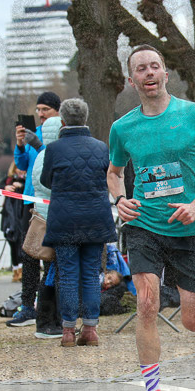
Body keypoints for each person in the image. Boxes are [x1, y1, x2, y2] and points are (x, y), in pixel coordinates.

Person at [108, 44, 195, 391]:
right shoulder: (122, 127)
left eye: (154, 67)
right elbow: (114, 173)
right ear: (132, 80)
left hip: (189, 225)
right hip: (144, 225)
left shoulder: (194, 115)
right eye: (140, 69)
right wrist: (120, 200)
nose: (148, 74)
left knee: (190, 319)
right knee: (147, 303)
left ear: (165, 74)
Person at [40, 99, 119, 347]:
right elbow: (110, 177)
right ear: (85, 119)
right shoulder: (101, 148)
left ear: (63, 121)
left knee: (68, 275)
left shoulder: (53, 149)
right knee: (91, 274)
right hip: (96, 219)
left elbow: (46, 181)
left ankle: (67, 331)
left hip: (65, 220)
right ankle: (91, 329)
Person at [7, 91, 61, 328]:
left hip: (50, 202)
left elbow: (53, 161)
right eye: (38, 109)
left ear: (57, 111)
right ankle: (28, 305)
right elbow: (21, 164)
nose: (40, 114)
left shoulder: (59, 133)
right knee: (28, 252)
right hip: (30, 199)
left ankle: (43, 306)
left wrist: (36, 145)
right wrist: (20, 145)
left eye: (45, 110)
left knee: (46, 256)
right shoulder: (32, 134)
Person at [29, 116, 64, 339]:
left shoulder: (43, 155)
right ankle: (46, 322)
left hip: (48, 218)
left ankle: (49, 320)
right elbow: (50, 186)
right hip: (53, 221)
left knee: (52, 273)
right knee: (53, 274)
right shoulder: (50, 156)